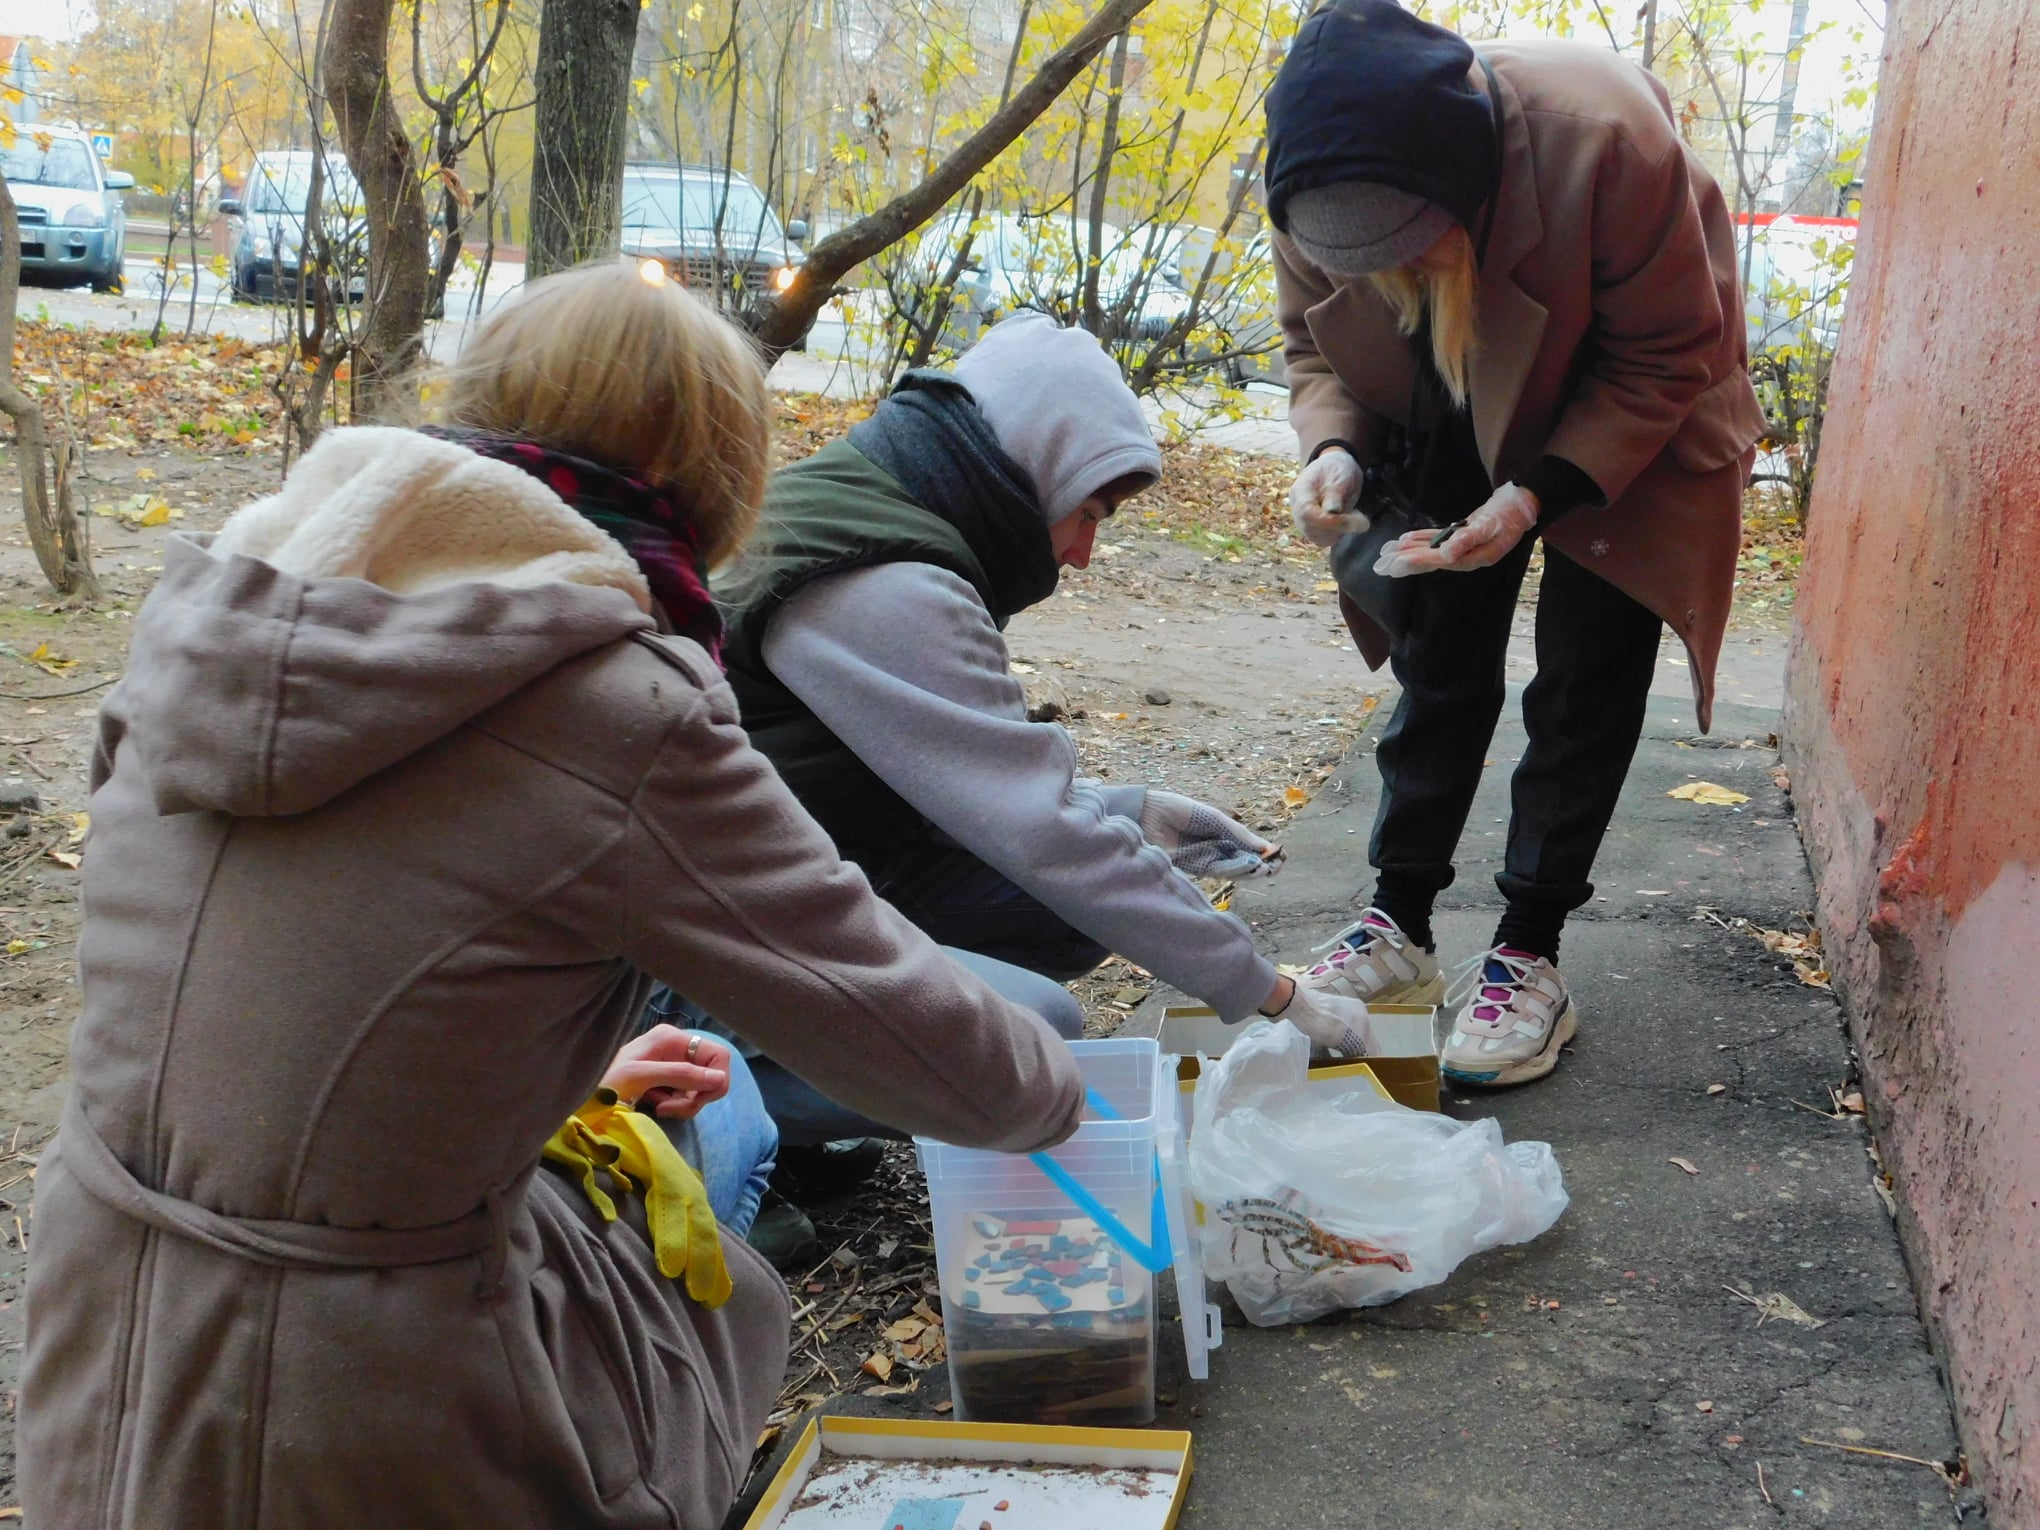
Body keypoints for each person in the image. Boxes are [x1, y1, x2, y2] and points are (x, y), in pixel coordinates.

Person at [20, 263, 1086, 1530]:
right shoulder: (614, 701)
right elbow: (922, 1039)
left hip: (99, 1314)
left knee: (688, 1132)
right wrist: (1066, 1096)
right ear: (716, 476)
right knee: (706, 1276)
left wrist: (563, 1079)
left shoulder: (222, 616)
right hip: (357, 1379)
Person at [712, 310, 1375, 1144]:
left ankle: (799, 1079)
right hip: (679, 953)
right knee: (1031, 1035)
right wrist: (1274, 992)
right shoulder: (884, 588)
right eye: (1087, 513)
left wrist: (1137, 812)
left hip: (783, 875)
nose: (1082, 554)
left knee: (1062, 912)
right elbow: (1042, 834)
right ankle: (716, 1119)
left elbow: (948, 782)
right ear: (1031, 472)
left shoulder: (876, 500)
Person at [1266, 0, 1766, 1087]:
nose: (1370, 260)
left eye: (1400, 243)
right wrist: (1337, 449)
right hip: (1446, 379)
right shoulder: (1309, 173)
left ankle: (1529, 953)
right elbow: (1313, 341)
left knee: (1585, 675)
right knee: (1437, 648)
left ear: (1466, 183)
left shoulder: (1604, 134)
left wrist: (1536, 496)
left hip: (1634, 397)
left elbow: (1673, 350)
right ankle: (1397, 923)